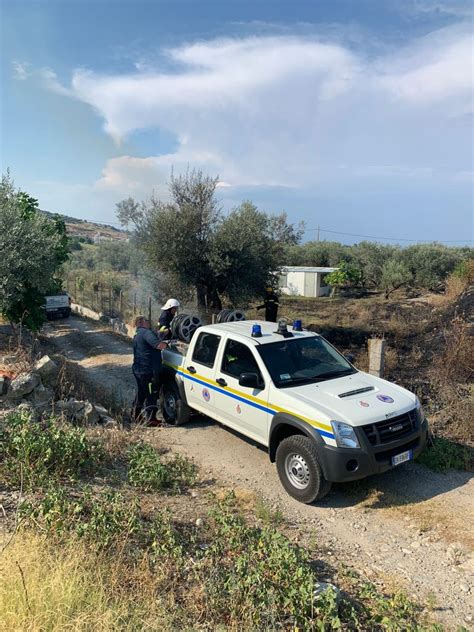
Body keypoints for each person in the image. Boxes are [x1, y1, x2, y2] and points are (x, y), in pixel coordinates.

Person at [131, 315, 167, 425]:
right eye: (147, 320)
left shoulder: (138, 333)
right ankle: (151, 420)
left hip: (139, 369)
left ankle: (135, 415)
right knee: (151, 395)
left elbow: (150, 342)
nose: (148, 322)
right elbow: (159, 345)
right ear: (141, 322)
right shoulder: (146, 332)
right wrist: (167, 345)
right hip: (148, 371)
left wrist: (160, 335)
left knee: (142, 393)